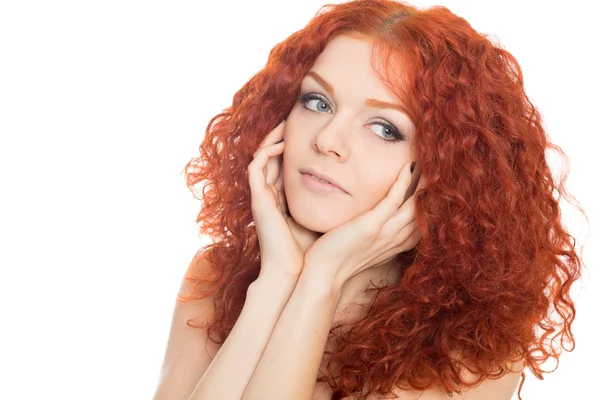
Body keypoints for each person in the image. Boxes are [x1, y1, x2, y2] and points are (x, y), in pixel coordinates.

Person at [153, 0, 586, 399]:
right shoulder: (215, 278)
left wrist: (321, 278)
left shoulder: (474, 350)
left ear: (442, 171)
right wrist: (277, 282)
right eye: (317, 102)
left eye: (384, 128)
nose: (326, 141)